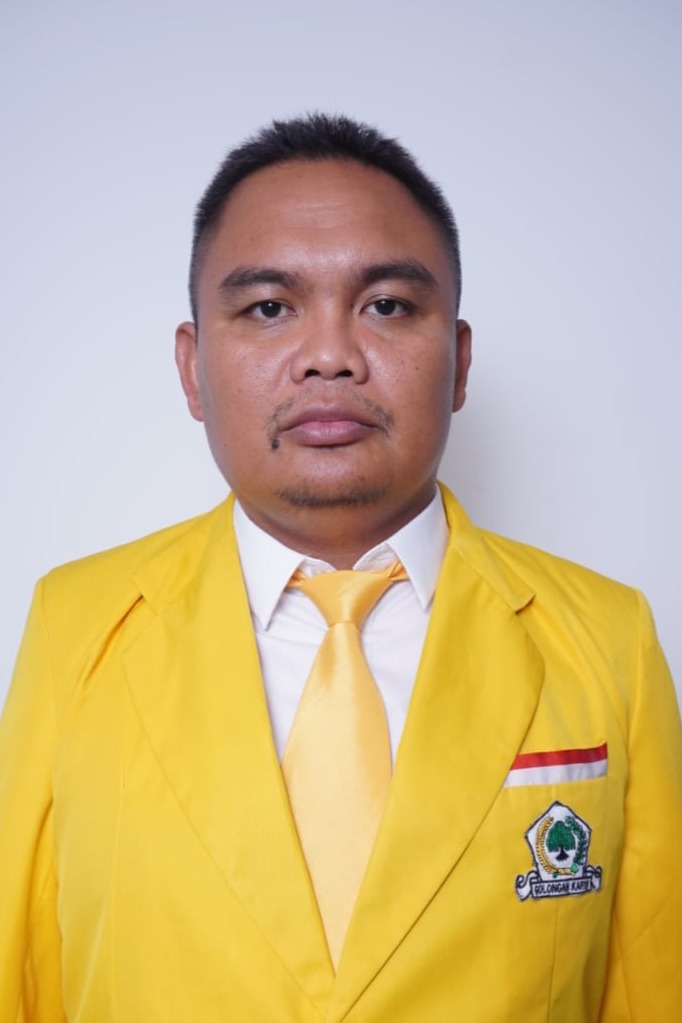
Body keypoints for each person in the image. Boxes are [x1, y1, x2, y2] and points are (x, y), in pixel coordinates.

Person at [1, 114, 681, 1023]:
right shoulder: (76, 623)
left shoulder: (608, 639)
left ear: (459, 363)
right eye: (269, 308)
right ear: (193, 369)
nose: (329, 356)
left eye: (388, 306)